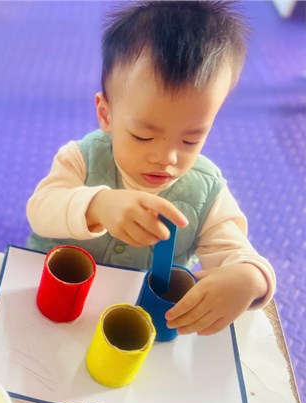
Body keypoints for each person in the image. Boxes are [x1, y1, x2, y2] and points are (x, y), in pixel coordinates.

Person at [26, 1, 275, 337]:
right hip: (49, 305)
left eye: (190, 140)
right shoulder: (82, 158)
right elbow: (39, 211)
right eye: (143, 136)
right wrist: (97, 206)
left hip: (136, 326)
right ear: (106, 115)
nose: (167, 158)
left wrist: (251, 279)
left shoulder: (207, 192)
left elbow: (236, 253)